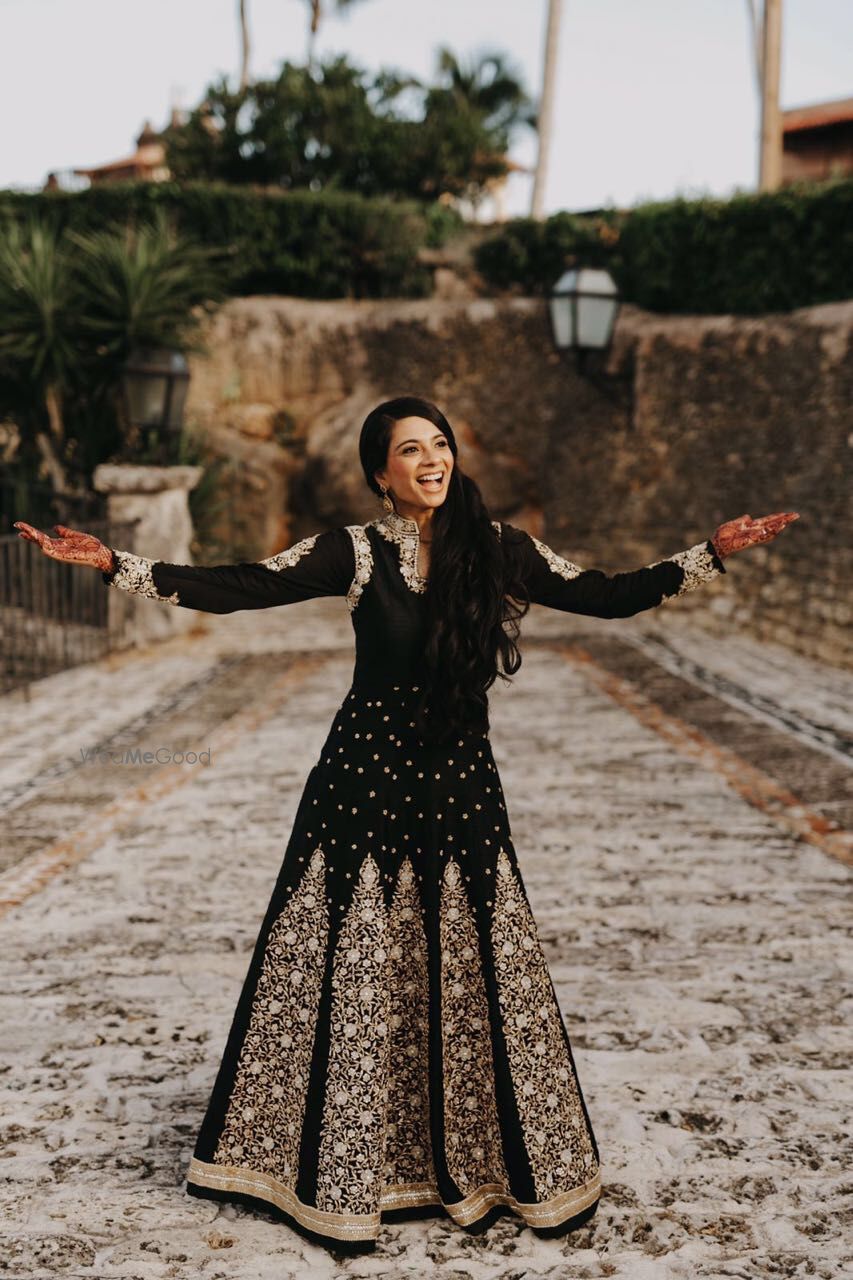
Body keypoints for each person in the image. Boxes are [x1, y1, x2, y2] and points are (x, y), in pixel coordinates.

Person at [13, 396, 798, 1257]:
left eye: (440, 444)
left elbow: (606, 597)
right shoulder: (349, 552)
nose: (431, 460)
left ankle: (465, 1156)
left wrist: (709, 555)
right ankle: (345, 1162)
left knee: (466, 957)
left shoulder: (499, 549)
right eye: (409, 450)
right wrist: (114, 564)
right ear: (379, 474)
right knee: (349, 957)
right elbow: (241, 585)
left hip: (460, 783)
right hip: (361, 781)